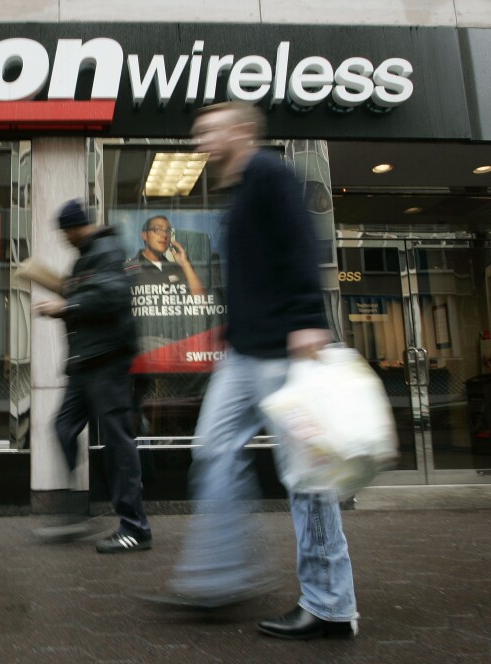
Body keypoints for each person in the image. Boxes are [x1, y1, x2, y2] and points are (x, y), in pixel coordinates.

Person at [143, 102, 359, 639]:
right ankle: (220, 578)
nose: (201, 143)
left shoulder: (269, 173)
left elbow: (300, 246)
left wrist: (308, 321)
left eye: (209, 132)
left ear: (241, 131)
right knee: (213, 450)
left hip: (283, 351)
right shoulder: (239, 190)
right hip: (243, 354)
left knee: (306, 477)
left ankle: (331, 605)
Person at [33, 199, 152, 554]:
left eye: (65, 232)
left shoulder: (106, 250)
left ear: (76, 227)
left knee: (118, 444)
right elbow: (86, 294)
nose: (64, 239)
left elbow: (111, 295)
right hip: (84, 366)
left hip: (107, 362)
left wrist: (65, 305)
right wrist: (64, 294)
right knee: (63, 427)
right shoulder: (86, 256)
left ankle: (135, 527)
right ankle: (75, 511)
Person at [124, 215, 205, 296]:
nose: (165, 235)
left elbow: (201, 302)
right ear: (144, 235)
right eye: (158, 229)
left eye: (168, 231)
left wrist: (185, 264)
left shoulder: (176, 268)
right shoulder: (130, 268)